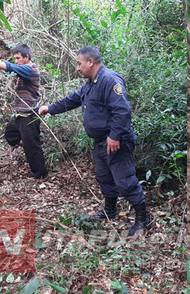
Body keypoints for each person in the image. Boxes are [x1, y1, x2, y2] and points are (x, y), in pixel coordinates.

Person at [38, 46, 151, 237]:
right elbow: (73, 99)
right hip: (100, 142)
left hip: (116, 141)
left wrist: (114, 136)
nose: (77, 68)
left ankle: (143, 219)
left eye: (79, 63)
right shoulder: (90, 83)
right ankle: (110, 211)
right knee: (104, 177)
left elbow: (122, 111)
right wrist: (50, 108)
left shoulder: (109, 80)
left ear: (90, 62)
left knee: (124, 180)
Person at [0, 44, 48, 179]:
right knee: (10, 135)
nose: (16, 61)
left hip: (29, 115)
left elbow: (11, 67)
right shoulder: (24, 70)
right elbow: (13, 69)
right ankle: (30, 145)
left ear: (26, 57)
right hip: (20, 115)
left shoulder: (30, 69)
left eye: (18, 58)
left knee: (32, 147)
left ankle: (41, 175)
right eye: (15, 59)